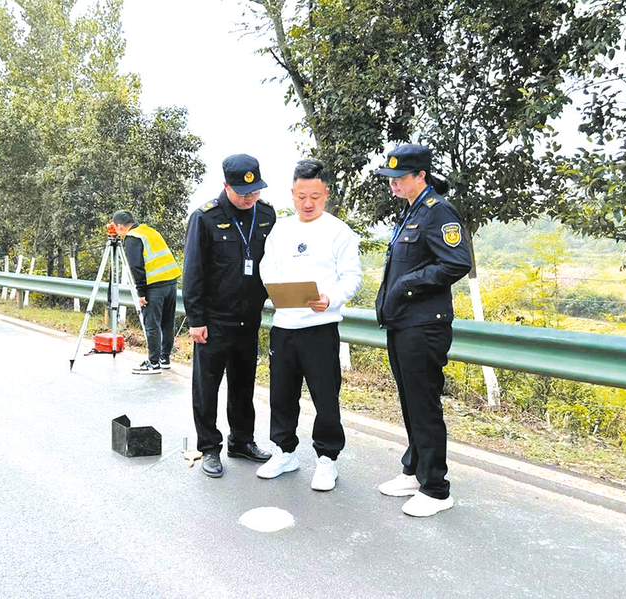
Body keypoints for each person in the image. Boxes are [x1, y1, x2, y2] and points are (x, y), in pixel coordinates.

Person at [374, 144, 472, 517]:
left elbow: (456, 263)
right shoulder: (412, 211)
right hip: (402, 322)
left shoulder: (437, 211)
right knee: (410, 401)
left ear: (421, 176)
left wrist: (406, 285)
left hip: (424, 324)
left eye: (400, 178)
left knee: (424, 405)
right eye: (391, 178)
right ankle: (415, 471)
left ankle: (436, 488)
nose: (393, 184)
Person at [256, 159, 362, 491]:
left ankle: (327, 459)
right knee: (281, 395)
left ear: (326, 194)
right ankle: (285, 452)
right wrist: (276, 289)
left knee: (325, 397)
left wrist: (331, 298)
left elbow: (352, 277)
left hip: (320, 328)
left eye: (315, 196)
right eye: (301, 196)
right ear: (292, 193)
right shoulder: (281, 230)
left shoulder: (339, 231)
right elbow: (267, 268)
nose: (307, 203)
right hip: (284, 327)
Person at [183, 154, 277, 478]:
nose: (250, 197)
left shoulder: (266, 215)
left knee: (243, 385)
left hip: (249, 318)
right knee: (207, 388)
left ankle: (242, 441)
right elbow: (193, 271)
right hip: (214, 320)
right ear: (226, 186)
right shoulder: (205, 217)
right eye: (243, 192)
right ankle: (210, 447)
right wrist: (196, 319)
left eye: (255, 191)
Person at [112, 210, 181, 374]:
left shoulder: (132, 238)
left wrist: (141, 293)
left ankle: (153, 363)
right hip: (171, 281)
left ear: (120, 226)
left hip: (154, 285)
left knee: (152, 324)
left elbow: (137, 268)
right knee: (167, 323)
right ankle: (164, 359)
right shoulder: (148, 231)